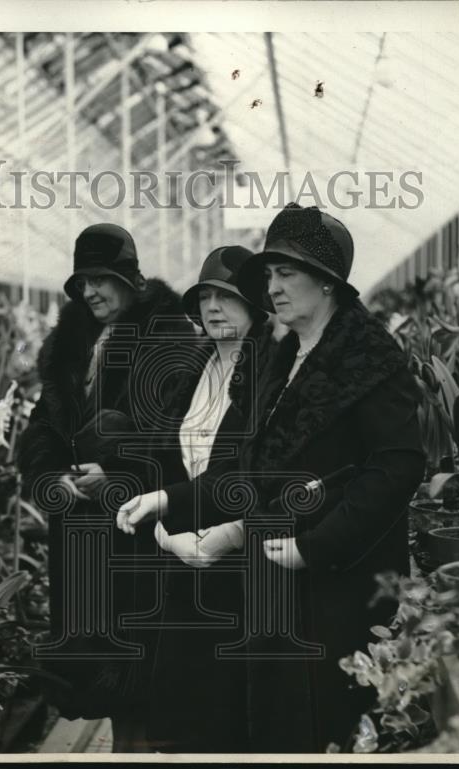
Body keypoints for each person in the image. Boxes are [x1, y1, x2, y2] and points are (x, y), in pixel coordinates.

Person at [118, 203, 426, 752]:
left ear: (328, 283)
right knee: (281, 722)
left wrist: (317, 546)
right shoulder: (286, 356)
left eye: (288, 273)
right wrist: (168, 499)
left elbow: (396, 466)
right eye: (269, 274)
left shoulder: (369, 355)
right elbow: (251, 470)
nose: (274, 287)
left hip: (340, 584)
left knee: (325, 719)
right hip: (279, 576)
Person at [18, 222, 193, 752]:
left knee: (143, 661)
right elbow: (43, 424)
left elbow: (186, 440)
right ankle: (124, 746)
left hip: (141, 528)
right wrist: (50, 474)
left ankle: (140, 747)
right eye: (82, 282)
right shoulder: (69, 346)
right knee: (102, 665)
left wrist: (119, 479)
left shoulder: (172, 338)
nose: (90, 291)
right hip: (84, 532)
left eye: (101, 278)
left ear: (130, 279)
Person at [115, 245, 271, 752]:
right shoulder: (195, 368)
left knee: (232, 715)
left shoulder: (272, 375)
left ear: (256, 304)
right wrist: (166, 523)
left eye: (227, 295)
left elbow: (258, 473)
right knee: (186, 710)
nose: (212, 305)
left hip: (243, 567)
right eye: (205, 295)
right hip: (181, 560)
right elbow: (167, 457)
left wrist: (210, 528)